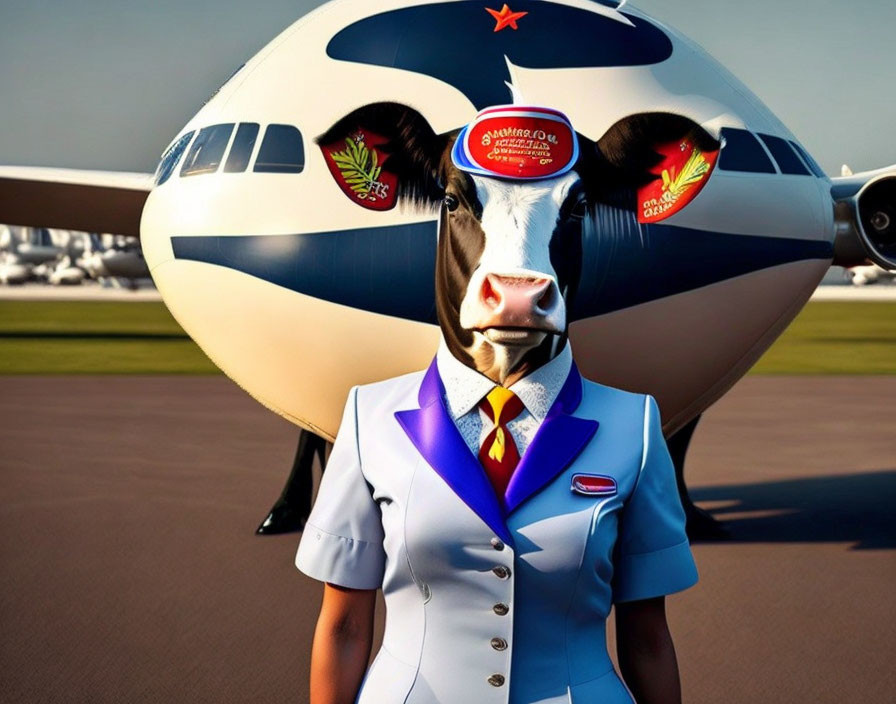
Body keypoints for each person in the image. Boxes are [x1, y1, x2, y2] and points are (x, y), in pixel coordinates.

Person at [295, 102, 703, 704]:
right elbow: (344, 626)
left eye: (576, 208)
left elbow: (647, 640)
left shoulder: (634, 428)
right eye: (459, 203)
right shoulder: (367, 419)